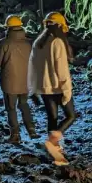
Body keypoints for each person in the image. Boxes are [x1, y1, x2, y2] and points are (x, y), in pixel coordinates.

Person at [28, 12, 77, 166]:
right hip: (57, 88)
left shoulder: (38, 42)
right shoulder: (57, 43)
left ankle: (55, 152)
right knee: (71, 116)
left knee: (52, 118)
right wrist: (67, 90)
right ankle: (52, 142)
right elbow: (62, 70)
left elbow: (32, 67)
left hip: (44, 88)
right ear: (60, 26)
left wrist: (32, 89)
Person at [0, 15, 35, 143]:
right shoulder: (29, 43)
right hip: (26, 81)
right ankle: (31, 129)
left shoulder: (5, 43)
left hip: (10, 82)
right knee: (24, 104)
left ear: (8, 28)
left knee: (11, 108)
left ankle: (15, 134)